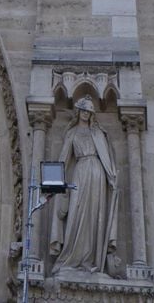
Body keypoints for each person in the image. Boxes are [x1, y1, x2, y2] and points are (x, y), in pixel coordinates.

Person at [50, 98, 118, 274]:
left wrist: (111, 177)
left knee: (94, 217)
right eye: (83, 110)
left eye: (89, 111)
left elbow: (106, 156)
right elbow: (63, 160)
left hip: (97, 174)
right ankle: (70, 258)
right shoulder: (72, 133)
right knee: (75, 214)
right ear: (78, 112)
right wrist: (50, 185)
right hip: (80, 172)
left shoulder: (97, 133)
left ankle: (90, 260)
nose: (86, 114)